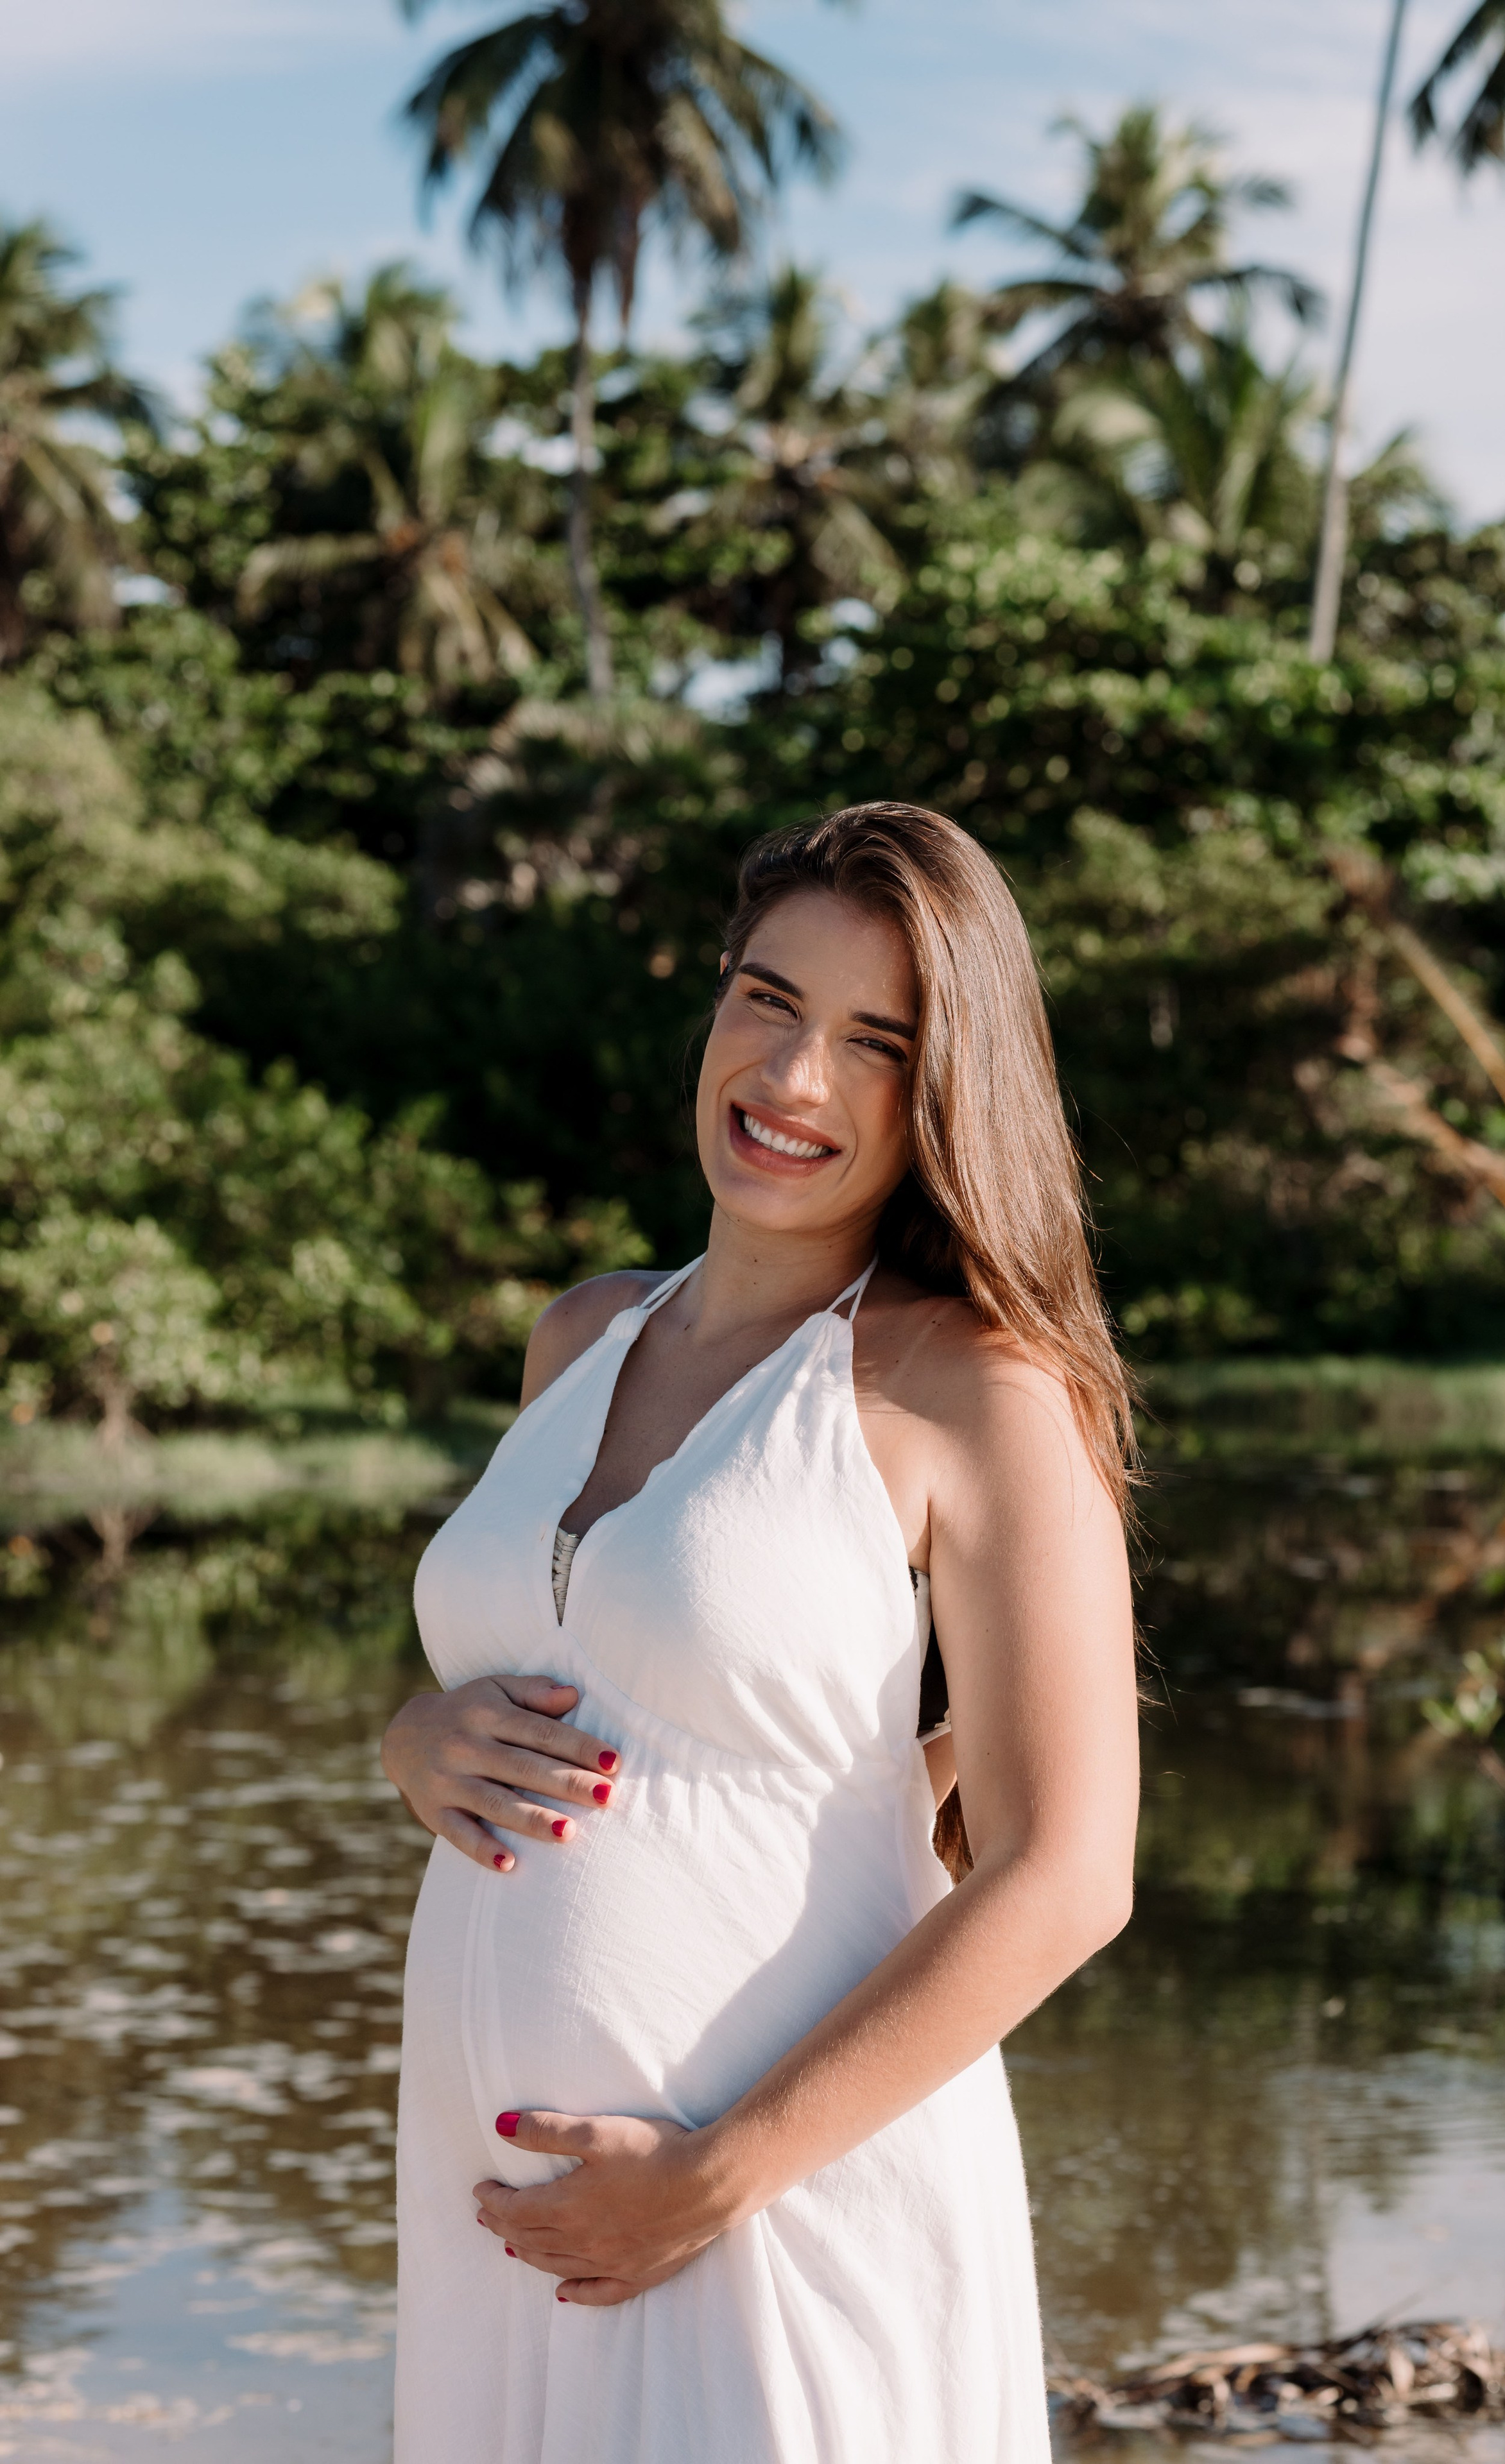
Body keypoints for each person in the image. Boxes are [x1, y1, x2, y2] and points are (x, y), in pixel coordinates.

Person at [381, 800, 1139, 2463]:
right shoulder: (582, 1333)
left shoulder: (980, 1390)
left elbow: (1070, 1872)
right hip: (503, 2221)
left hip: (775, 2212)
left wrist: (709, 2182)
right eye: (769, 1000)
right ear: (716, 997)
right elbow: (573, 1676)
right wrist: (415, 1739)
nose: (794, 1078)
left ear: (946, 1092)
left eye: (877, 1042)